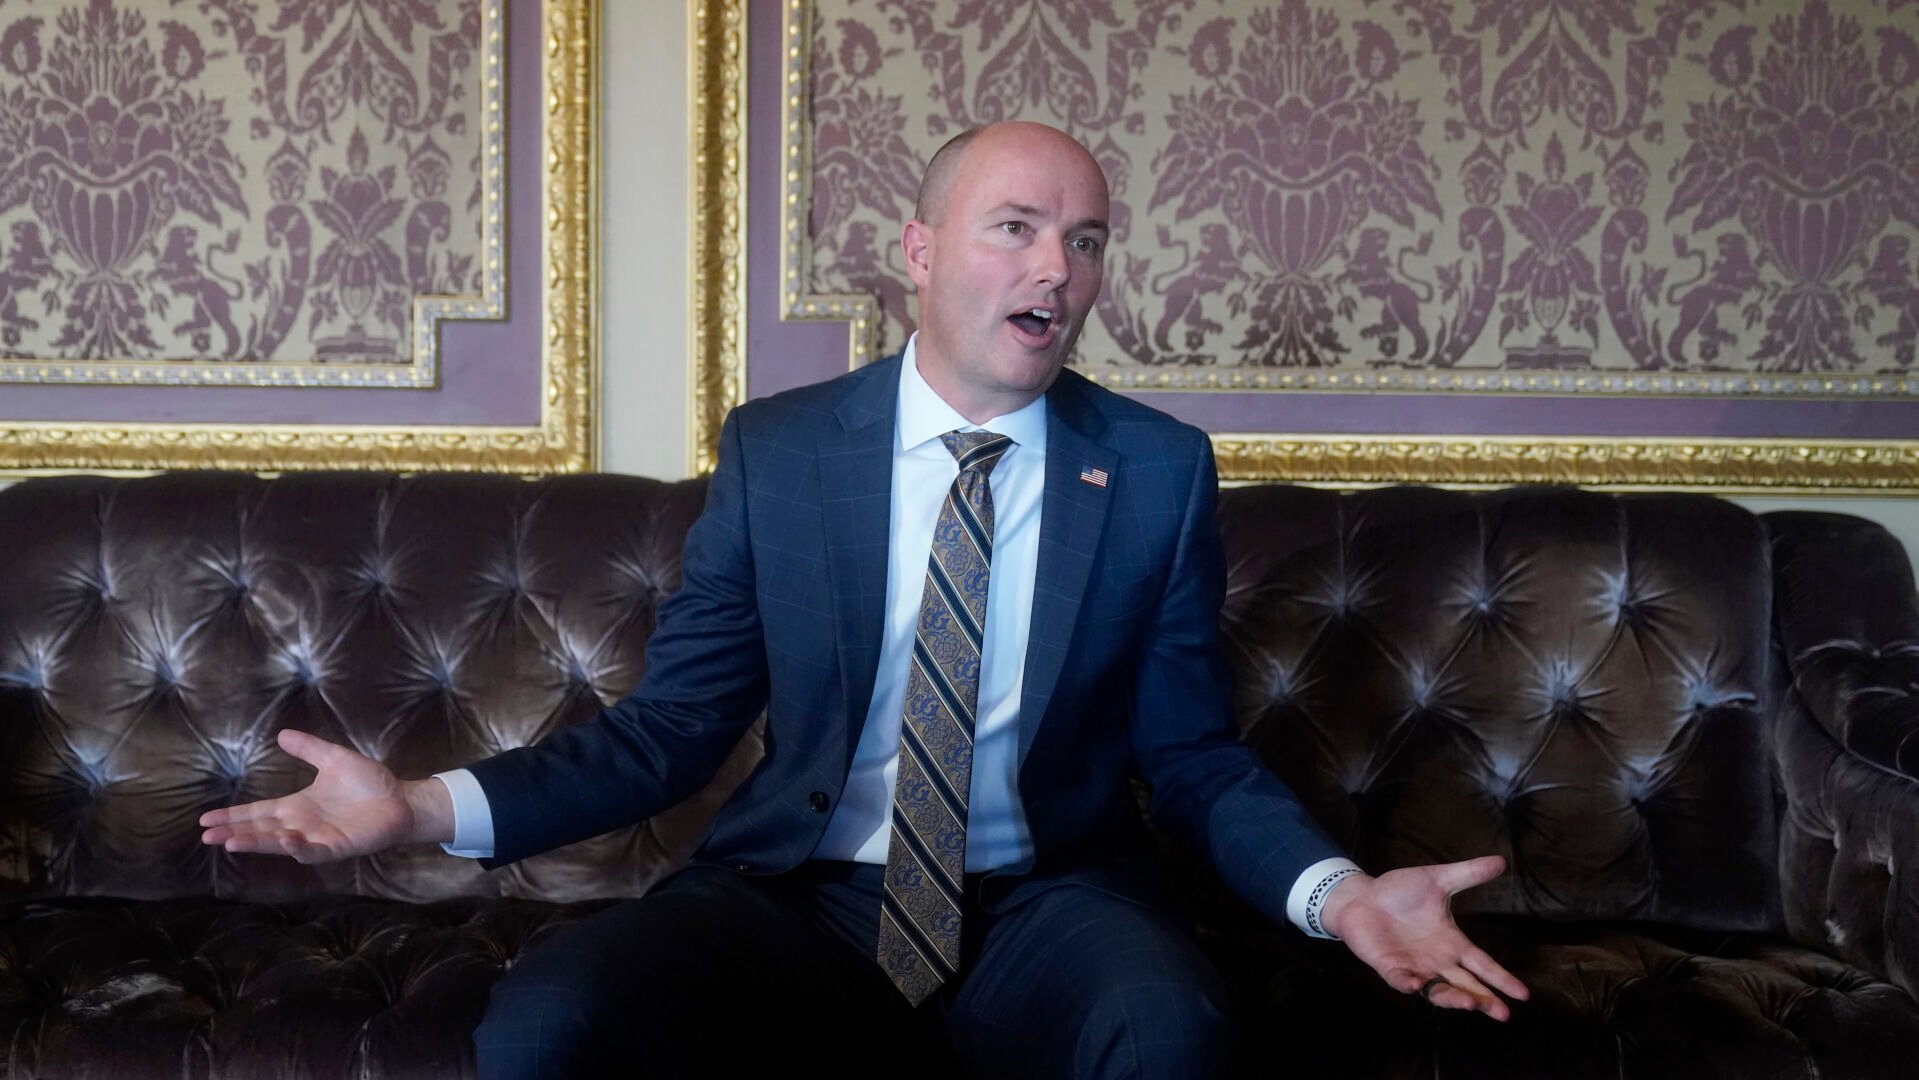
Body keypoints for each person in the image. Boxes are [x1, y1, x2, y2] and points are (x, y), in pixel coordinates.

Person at [201, 121, 1527, 1077]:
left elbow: (1187, 757)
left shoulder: (1159, 471)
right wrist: (423, 808)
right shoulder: (782, 455)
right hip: (800, 895)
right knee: (551, 1019)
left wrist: (1341, 894)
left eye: (1085, 241)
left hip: (1046, 898)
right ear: (919, 249)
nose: (1055, 270)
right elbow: (670, 735)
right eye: (1015, 228)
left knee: (1174, 1031)